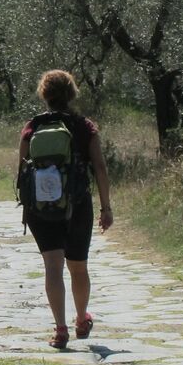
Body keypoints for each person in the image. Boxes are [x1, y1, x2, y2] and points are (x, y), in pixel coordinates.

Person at [17, 69, 113, 349]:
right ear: (72, 94)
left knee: (53, 267)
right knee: (78, 267)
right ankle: (82, 319)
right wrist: (106, 207)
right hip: (77, 204)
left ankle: (60, 329)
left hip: (41, 208)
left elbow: (22, 170)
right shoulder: (84, 127)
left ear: (44, 95)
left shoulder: (32, 127)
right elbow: (100, 168)